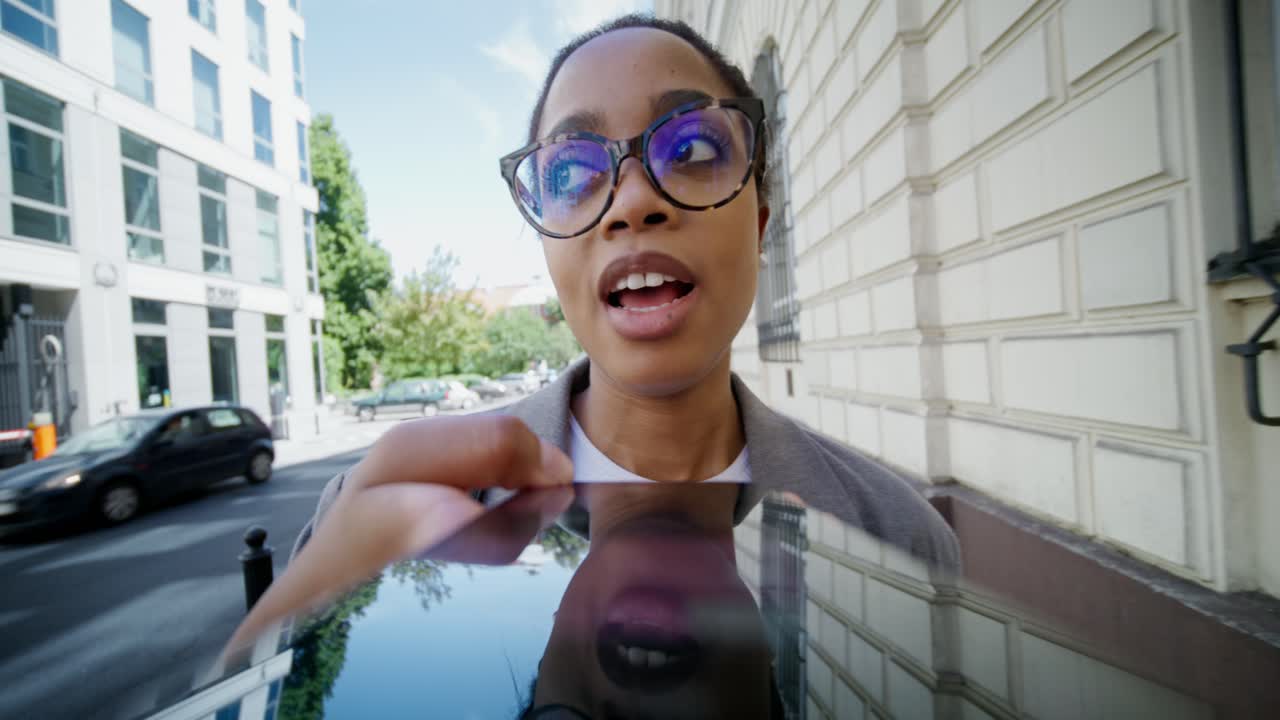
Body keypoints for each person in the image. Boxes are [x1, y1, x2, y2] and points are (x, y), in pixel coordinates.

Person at [226, 13, 959, 655]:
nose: (633, 201)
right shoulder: (394, 515)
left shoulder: (900, 538)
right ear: (548, 248)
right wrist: (296, 633)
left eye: (695, 150)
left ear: (761, 221)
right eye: (573, 170)